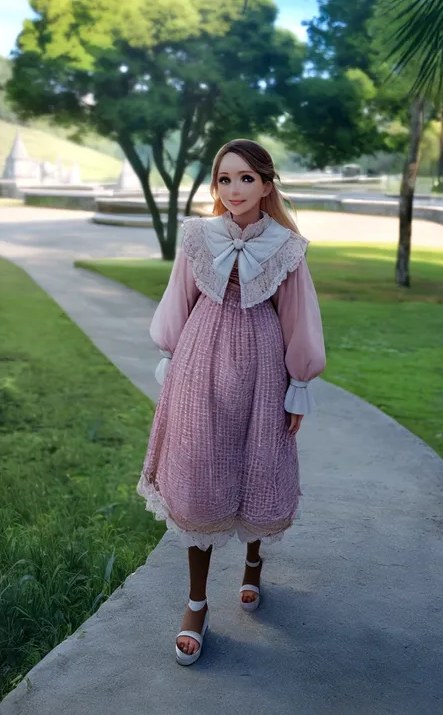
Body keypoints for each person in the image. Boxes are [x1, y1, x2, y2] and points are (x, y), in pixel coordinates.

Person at [136, 138, 326, 666]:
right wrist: (170, 357)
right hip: (200, 362)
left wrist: (298, 384)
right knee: (199, 474)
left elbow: (299, 318)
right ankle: (195, 603)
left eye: (246, 178)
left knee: (259, 466)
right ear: (215, 186)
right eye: (224, 179)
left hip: (264, 365)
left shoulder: (287, 246)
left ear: (267, 185)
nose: (234, 189)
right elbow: (178, 298)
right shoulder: (198, 236)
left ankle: (253, 564)